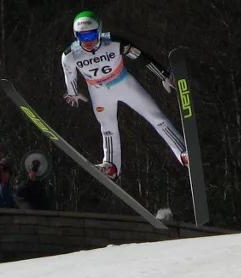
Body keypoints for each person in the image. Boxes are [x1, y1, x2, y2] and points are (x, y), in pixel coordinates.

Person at [60, 10, 188, 181]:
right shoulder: (70, 55)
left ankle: (183, 153)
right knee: (107, 127)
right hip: (98, 91)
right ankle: (111, 166)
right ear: (76, 36)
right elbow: (70, 76)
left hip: (124, 84)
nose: (88, 41)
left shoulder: (115, 42)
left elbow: (142, 57)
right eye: (82, 37)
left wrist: (163, 75)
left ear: (99, 31)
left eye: (91, 35)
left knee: (155, 116)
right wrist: (73, 94)